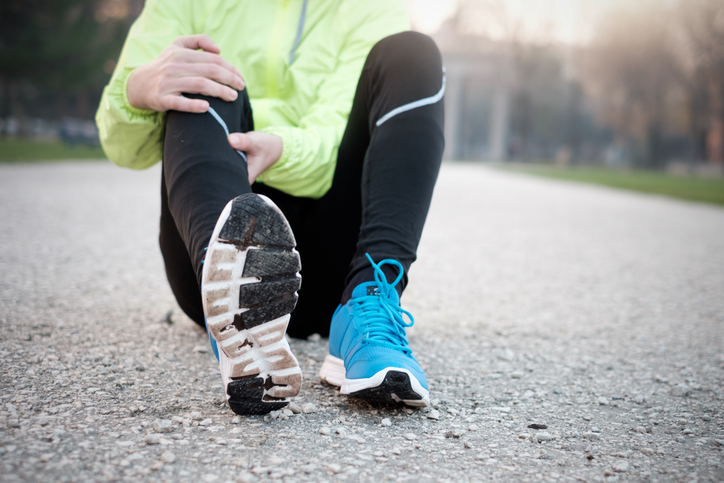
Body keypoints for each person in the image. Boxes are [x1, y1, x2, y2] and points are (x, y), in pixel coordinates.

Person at [96, 0, 445, 415]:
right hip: (213, 220)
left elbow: (339, 137)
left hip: (336, 265)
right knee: (196, 72)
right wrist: (137, 89)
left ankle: (369, 304)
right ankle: (227, 292)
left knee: (412, 53)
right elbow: (123, 148)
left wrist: (281, 148)